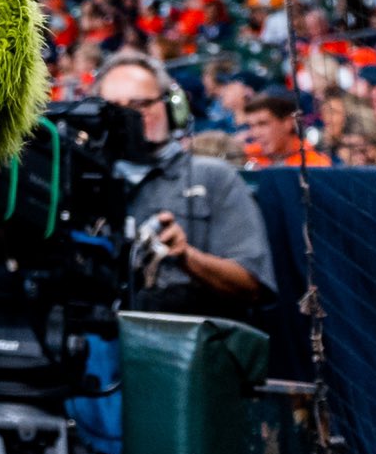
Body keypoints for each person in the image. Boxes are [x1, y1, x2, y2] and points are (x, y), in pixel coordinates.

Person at [96, 51, 275, 320]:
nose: (127, 119)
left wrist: (186, 257)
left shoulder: (213, 177)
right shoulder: (80, 180)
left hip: (181, 347)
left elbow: (253, 285)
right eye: (114, 109)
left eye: (139, 105)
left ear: (173, 107)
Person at [239, 91, 331, 167]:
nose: (255, 133)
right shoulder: (246, 156)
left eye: (263, 124)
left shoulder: (315, 164)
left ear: (288, 123)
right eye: (251, 126)